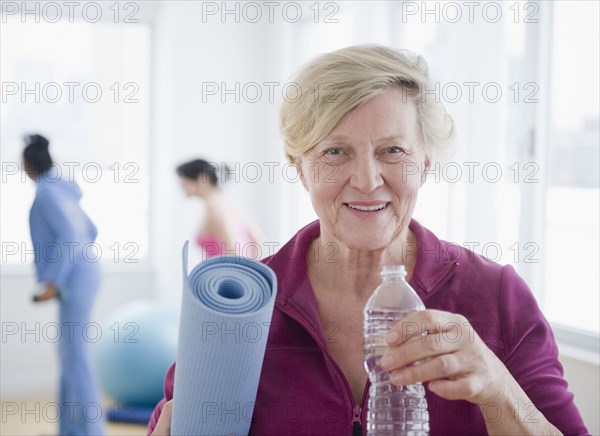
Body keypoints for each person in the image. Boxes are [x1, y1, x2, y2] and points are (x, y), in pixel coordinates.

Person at [150, 46, 588, 435]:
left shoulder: (498, 297)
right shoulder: (240, 311)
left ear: (426, 162)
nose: (367, 180)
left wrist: (498, 388)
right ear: (299, 166)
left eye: (393, 151)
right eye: (334, 152)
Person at [24, 134, 105, 436]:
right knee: (69, 353)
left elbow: (70, 235)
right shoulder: (63, 188)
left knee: (76, 354)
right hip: (83, 272)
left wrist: (53, 280)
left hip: (74, 278)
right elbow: (90, 231)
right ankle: (70, 429)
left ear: (28, 165)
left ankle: (92, 431)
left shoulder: (46, 193)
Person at [176, 159, 261, 259]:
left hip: (225, 273)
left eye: (183, 178)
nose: (181, 184)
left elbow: (232, 249)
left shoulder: (214, 207)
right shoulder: (227, 202)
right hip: (230, 272)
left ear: (201, 178)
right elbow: (256, 240)